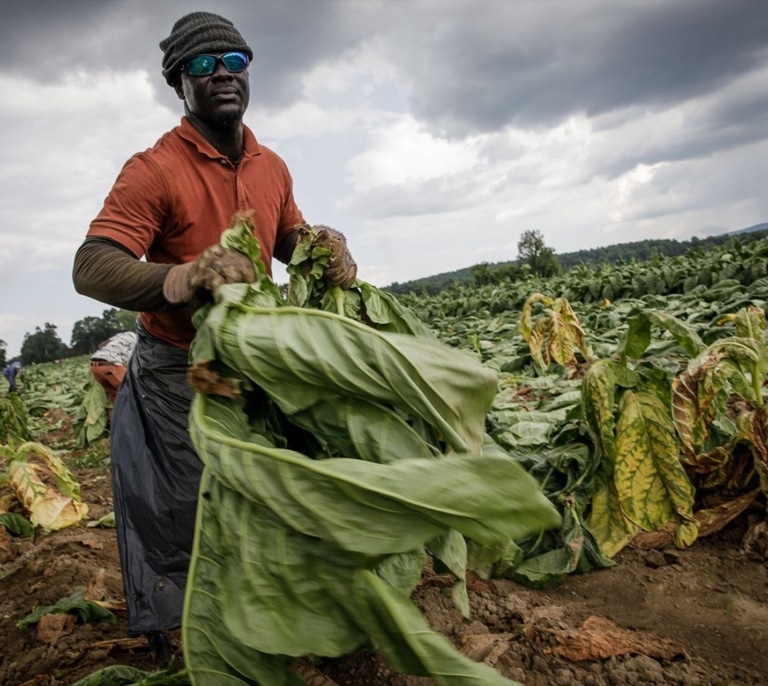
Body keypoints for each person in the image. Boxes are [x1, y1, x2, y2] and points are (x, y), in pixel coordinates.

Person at [71, 11, 357, 659]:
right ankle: (182, 639)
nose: (222, 75)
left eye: (234, 61)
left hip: (255, 363)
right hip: (178, 366)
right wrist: (178, 280)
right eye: (203, 66)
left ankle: (279, 611)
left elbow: (287, 240)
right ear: (180, 84)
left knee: (272, 486)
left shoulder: (271, 165)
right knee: (181, 505)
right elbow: (91, 265)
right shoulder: (154, 169)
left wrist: (323, 249)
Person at [89, 331, 138, 406]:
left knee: (114, 395)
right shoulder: (138, 341)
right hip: (111, 366)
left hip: (94, 366)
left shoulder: (120, 335)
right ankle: (135, 416)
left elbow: (101, 345)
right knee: (132, 392)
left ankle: (116, 416)